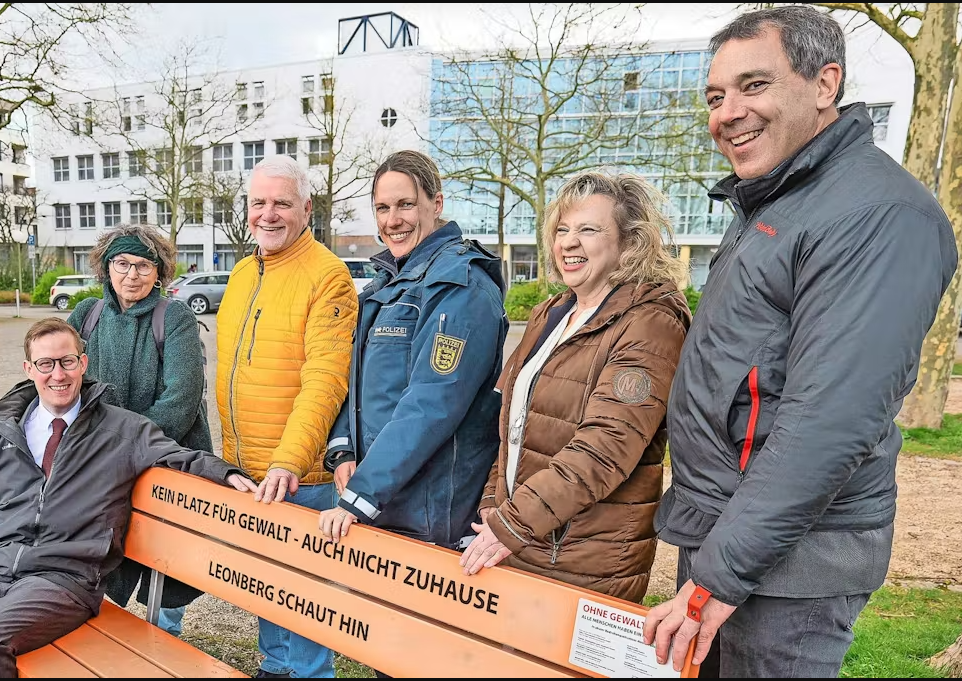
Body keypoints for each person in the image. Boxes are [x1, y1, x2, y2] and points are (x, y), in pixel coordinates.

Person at [644, 6, 957, 677]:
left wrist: (720, 573)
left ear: (824, 84)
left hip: (785, 568)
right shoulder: (777, 199)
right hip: (728, 537)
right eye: (715, 96)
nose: (727, 113)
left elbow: (829, 420)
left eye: (753, 86)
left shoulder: (876, 214)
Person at [0, 318, 255, 678]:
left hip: (63, 580)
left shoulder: (124, 430)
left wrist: (230, 475)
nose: (58, 374)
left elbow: (181, 456)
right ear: (28, 369)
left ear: (83, 363)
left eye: (67, 361)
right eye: (46, 364)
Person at [458, 171, 691, 606]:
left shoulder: (650, 321)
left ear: (630, 240)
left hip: (585, 558)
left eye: (588, 229)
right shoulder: (552, 313)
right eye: (561, 230)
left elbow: (605, 447)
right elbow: (512, 424)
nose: (568, 242)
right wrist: (495, 501)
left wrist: (514, 522)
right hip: (523, 535)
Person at [318, 150, 507, 554]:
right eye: (382, 208)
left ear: (436, 204)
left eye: (405, 204)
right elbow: (359, 384)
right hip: (382, 505)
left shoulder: (460, 288)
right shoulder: (386, 287)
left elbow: (430, 404)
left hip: (428, 516)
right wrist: (344, 449)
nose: (392, 220)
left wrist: (361, 494)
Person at [217, 154, 358, 678]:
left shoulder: (328, 275)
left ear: (307, 208)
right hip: (247, 466)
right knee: (267, 581)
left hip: (296, 474)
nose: (268, 214)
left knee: (302, 593)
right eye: (259, 203)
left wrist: (290, 461)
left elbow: (326, 378)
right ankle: (276, 668)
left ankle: (307, 673)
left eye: (281, 203)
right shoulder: (243, 271)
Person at [66, 223, 209, 638]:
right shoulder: (85, 316)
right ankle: (111, 641)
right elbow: (64, 385)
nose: (132, 274)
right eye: (122, 263)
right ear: (106, 268)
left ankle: (163, 642)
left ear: (159, 271)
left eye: (144, 265)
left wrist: (124, 450)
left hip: (163, 461)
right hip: (98, 468)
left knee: (164, 565)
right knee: (100, 555)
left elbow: (181, 398)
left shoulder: (175, 317)